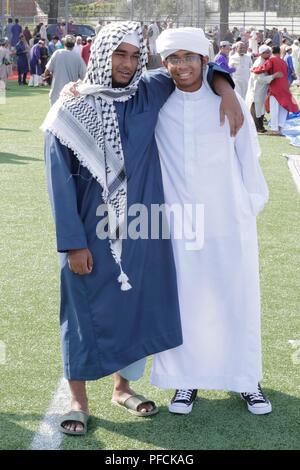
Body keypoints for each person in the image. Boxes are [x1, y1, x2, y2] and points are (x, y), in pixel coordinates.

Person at [42, 21, 243, 435]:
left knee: (131, 306)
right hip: (91, 231)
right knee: (82, 310)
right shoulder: (69, 109)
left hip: (143, 228)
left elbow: (193, 66)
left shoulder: (147, 90)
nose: (128, 64)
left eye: (136, 55)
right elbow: (58, 182)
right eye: (120, 54)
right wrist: (72, 244)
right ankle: (78, 400)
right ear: (100, 53)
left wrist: (227, 91)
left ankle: (122, 388)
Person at [151, 26, 271, 417]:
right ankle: (186, 380)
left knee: (235, 296)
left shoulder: (226, 101)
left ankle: (246, 379)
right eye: (173, 58)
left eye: (189, 57)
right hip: (179, 220)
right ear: (164, 62)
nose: (181, 65)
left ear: (205, 60)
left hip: (228, 216)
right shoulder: (158, 103)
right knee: (185, 299)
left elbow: (248, 159)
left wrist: (244, 210)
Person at [252, 46, 299, 135]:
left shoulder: (272, 60)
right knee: (283, 108)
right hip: (285, 87)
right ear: (280, 52)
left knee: (274, 108)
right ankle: (280, 128)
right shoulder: (283, 62)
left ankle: (274, 129)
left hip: (276, 88)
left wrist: (253, 69)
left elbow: (263, 68)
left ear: (271, 52)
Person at [245, 45, 282, 133]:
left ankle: (260, 127)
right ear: (262, 53)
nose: (269, 54)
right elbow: (260, 79)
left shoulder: (265, 61)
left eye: (269, 52)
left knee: (261, 109)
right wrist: (274, 76)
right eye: (267, 52)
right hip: (257, 89)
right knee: (256, 108)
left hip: (262, 89)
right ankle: (257, 127)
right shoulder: (259, 63)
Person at [44, 35, 86, 105]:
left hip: (56, 94)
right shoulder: (78, 57)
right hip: (71, 95)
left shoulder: (57, 53)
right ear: (73, 44)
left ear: (64, 43)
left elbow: (46, 71)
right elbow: (84, 77)